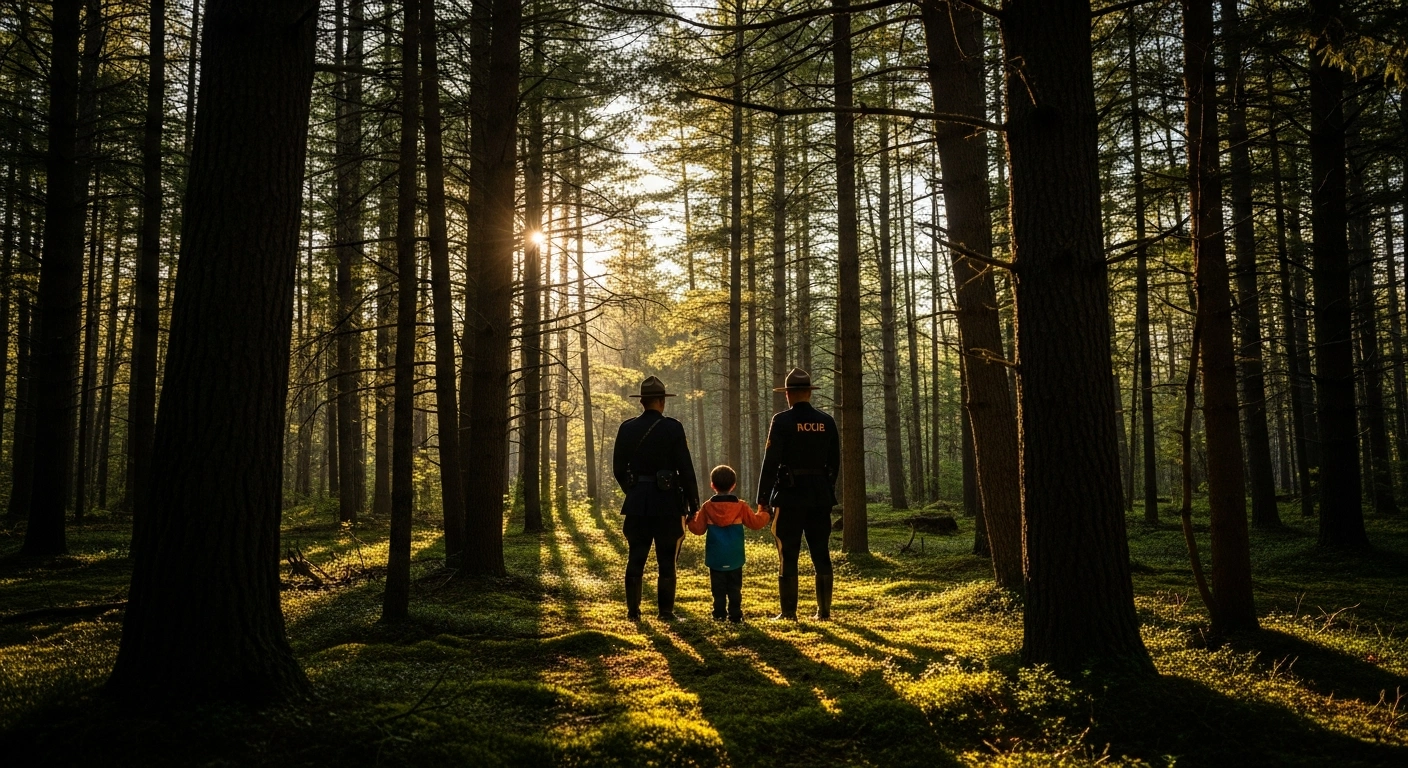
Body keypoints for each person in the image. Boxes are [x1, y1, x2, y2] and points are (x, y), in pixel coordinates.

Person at [612, 376, 700, 621]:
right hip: (667, 503)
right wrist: (694, 504)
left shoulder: (627, 428)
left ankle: (633, 613)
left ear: (642, 401)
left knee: (636, 556)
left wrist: (633, 491)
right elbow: (686, 467)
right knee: (666, 559)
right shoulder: (673, 427)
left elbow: (618, 469)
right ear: (662, 401)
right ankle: (666, 613)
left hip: (637, 502)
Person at [756, 368, 840, 620]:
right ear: (808, 393)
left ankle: (788, 613)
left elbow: (770, 462)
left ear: (789, 395)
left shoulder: (781, 421)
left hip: (789, 496)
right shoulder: (827, 421)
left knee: (788, 552)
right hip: (819, 497)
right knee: (821, 552)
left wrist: (763, 498)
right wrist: (827, 488)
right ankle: (824, 612)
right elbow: (834, 462)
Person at [687, 465, 771, 622]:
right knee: (734, 587)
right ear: (733, 485)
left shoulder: (707, 507)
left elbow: (698, 530)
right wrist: (764, 512)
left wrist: (690, 518)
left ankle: (718, 614)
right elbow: (756, 523)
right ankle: (735, 614)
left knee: (717, 589)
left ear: (712, 485)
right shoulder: (741, 506)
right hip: (735, 556)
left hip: (715, 557)